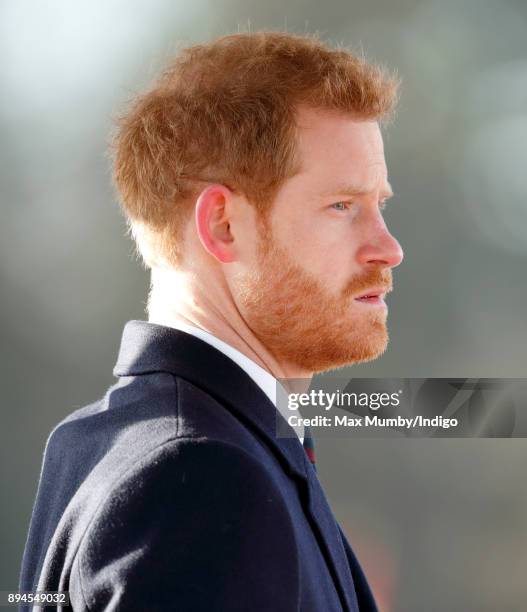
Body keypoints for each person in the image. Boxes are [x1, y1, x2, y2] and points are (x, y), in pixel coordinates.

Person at [19, 31, 403, 611]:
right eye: (342, 206)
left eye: (381, 205)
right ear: (222, 225)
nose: (388, 248)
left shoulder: (97, 442)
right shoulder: (200, 476)